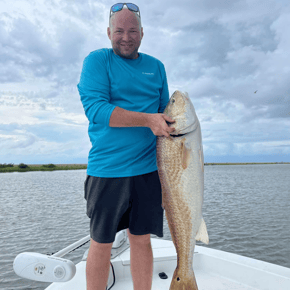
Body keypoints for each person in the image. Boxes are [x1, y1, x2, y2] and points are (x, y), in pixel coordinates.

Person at [77, 3, 175, 290]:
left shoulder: (156, 67)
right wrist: (148, 120)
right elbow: (96, 109)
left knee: (141, 240)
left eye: (132, 31)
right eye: (119, 30)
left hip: (148, 171)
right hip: (107, 170)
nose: (126, 37)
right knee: (101, 242)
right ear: (109, 32)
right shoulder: (97, 61)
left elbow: (164, 114)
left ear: (142, 33)